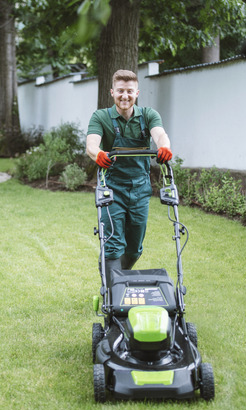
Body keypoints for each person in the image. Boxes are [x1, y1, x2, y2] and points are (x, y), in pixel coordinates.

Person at [86, 69, 173, 277]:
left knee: (134, 248)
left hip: (140, 189)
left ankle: (119, 280)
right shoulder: (101, 117)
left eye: (129, 91)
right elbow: (91, 144)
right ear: (112, 92)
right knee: (114, 242)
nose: (125, 96)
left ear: (137, 93)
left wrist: (164, 147)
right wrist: (98, 154)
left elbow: (160, 135)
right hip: (112, 189)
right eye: (120, 91)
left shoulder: (149, 116)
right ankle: (111, 290)